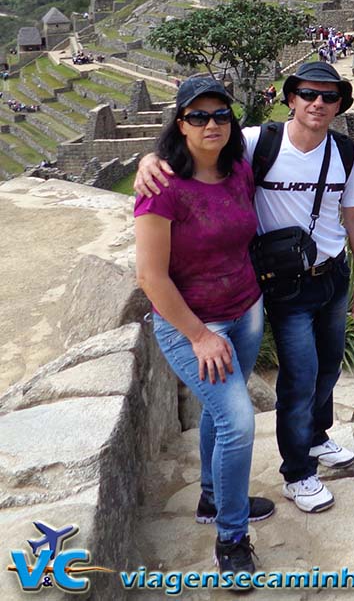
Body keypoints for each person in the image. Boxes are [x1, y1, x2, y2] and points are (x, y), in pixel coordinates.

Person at [136, 61, 354, 517]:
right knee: (299, 376)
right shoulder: (255, 143)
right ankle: (298, 473)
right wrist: (152, 159)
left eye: (329, 96)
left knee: (327, 369)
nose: (318, 103)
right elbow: (195, 148)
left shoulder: (345, 153)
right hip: (283, 287)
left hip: (333, 276)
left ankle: (317, 437)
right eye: (308, 93)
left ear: (340, 104)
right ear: (291, 99)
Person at [134, 77, 269, 584]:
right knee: (238, 421)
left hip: (246, 310)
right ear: (180, 123)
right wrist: (199, 335)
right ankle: (231, 538)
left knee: (218, 414)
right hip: (192, 325)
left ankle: (214, 497)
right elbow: (150, 276)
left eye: (219, 115)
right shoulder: (162, 188)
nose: (210, 124)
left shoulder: (238, 170)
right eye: (197, 116)